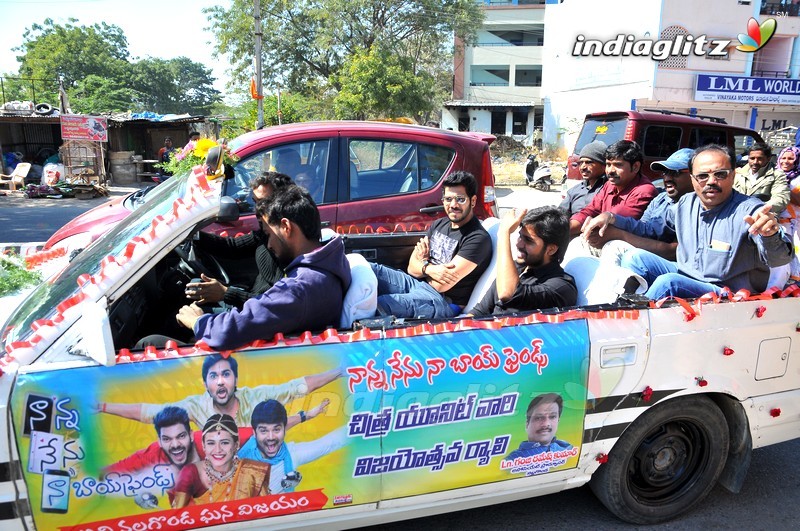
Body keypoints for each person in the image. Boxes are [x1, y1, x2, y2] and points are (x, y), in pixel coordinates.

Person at [585, 144, 793, 299]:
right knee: (634, 258)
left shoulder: (750, 210)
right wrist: (611, 217)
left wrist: (771, 235)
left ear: (733, 176)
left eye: (720, 174)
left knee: (669, 283)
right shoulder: (686, 203)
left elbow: (778, 259)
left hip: (726, 290)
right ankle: (624, 304)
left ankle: (629, 326)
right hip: (687, 273)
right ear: (693, 179)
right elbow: (650, 230)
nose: (711, 181)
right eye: (702, 176)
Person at [176, 185, 352, 351]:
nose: (268, 244)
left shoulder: (300, 288)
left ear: (286, 227)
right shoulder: (327, 261)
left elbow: (227, 331)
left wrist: (197, 321)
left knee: (152, 340)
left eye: (269, 234)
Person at [369, 171, 492, 319]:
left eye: (460, 199)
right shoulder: (439, 224)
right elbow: (411, 268)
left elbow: (442, 285)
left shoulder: (477, 238)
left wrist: (422, 266)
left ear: (472, 201)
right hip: (416, 283)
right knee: (367, 269)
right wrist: (429, 268)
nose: (453, 205)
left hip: (442, 301)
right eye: (448, 199)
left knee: (381, 304)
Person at [99, 353, 340, 428]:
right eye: (213, 377)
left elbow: (297, 387)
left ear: (235, 380)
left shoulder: (253, 398)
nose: (221, 382)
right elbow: (151, 412)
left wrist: (341, 370)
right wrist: (103, 407)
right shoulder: (195, 406)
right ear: (206, 384)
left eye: (226, 375)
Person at [185, 173, 293, 309]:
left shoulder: (289, 248)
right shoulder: (265, 233)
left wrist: (225, 293)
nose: (257, 209)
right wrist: (193, 234)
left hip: (255, 313)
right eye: (255, 202)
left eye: (264, 202)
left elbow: (274, 305)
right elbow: (232, 247)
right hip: (248, 302)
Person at [469, 207, 576, 316]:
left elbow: (507, 293)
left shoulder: (561, 286)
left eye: (528, 240)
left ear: (551, 249)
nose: (519, 244)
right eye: (520, 236)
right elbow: (480, 311)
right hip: (484, 331)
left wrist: (503, 234)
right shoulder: (516, 267)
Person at [238, 400, 347, 494]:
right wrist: (305, 415)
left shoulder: (293, 454)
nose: (270, 437)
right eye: (264, 431)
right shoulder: (239, 457)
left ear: (284, 430)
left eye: (276, 430)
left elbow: (331, 443)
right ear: (254, 432)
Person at [172, 414, 270, 507]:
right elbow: (175, 517)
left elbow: (268, 511)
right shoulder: (191, 473)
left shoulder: (252, 472)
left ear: (236, 445)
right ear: (203, 446)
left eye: (224, 443)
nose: (218, 450)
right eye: (211, 443)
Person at [568, 140, 658, 239]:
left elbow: (615, 223)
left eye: (618, 165)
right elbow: (590, 211)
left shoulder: (644, 191)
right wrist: (565, 229)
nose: (610, 171)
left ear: (635, 167)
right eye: (608, 164)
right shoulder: (609, 185)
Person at [105, 406, 199, 475]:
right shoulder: (154, 454)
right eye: (167, 439)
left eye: (181, 436)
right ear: (159, 441)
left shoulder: (209, 442)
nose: (175, 445)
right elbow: (107, 473)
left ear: (191, 435)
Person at [505, 393, 572, 460]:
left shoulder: (569, 450)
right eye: (538, 418)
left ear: (558, 421)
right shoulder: (512, 460)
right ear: (527, 424)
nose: (546, 424)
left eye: (552, 417)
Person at [733, 142, 789, 214]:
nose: (755, 162)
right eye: (752, 158)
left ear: (768, 159)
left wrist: (759, 208)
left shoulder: (777, 175)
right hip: (737, 214)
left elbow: (781, 198)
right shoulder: (739, 173)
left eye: (760, 159)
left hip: (762, 216)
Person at [559, 140, 607, 215]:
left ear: (604, 165)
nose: (583, 167)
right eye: (581, 163)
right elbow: (559, 215)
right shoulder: (574, 191)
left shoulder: (610, 190)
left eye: (589, 162)